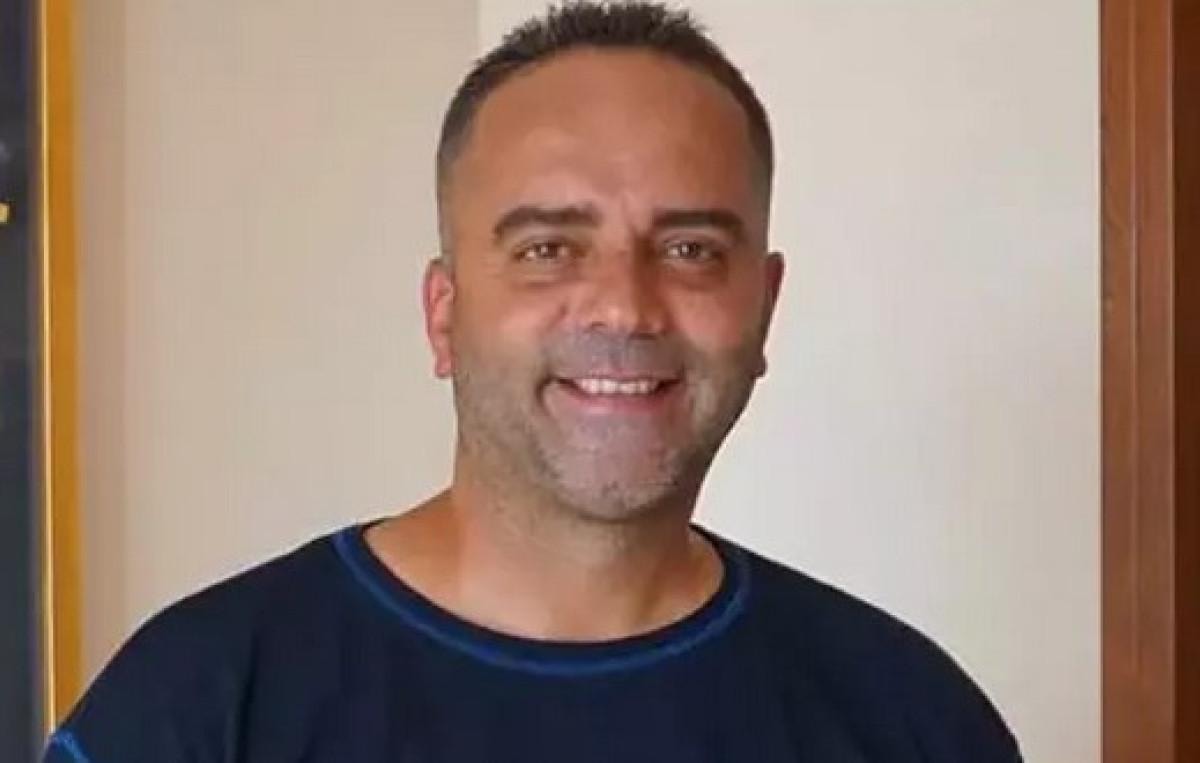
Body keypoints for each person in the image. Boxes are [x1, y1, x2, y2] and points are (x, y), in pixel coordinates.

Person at [46, 3, 1022, 761]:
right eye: (548, 248)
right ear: (443, 313)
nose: (623, 308)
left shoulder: (914, 721)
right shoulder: (200, 707)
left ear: (762, 309)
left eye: (689, 248)